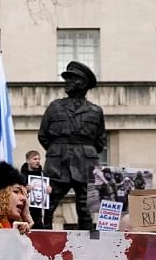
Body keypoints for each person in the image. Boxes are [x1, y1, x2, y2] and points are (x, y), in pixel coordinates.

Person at [38, 60, 106, 231]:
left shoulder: (95, 111)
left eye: (71, 78)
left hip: (85, 164)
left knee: (86, 209)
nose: (67, 82)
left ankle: (89, 246)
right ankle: (42, 242)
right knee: (46, 206)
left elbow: (100, 141)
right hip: (57, 163)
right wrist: (58, 150)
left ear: (82, 83)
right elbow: (43, 135)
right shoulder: (55, 107)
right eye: (66, 78)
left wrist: (82, 150)